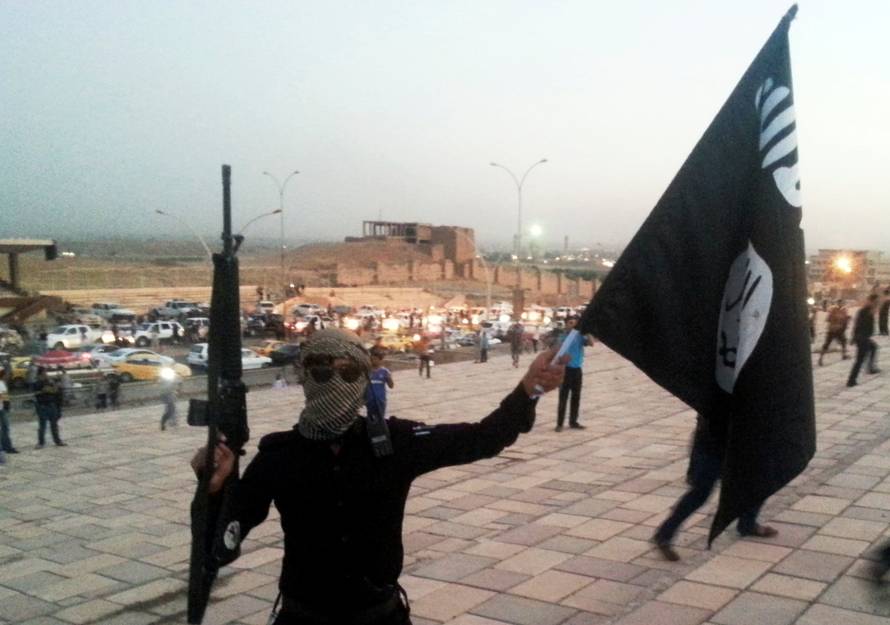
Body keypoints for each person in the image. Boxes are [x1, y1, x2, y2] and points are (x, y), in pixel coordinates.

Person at [189, 329, 566, 625]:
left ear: (363, 379)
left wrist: (528, 389)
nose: (335, 381)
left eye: (348, 372)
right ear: (304, 376)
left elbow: (483, 438)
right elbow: (221, 544)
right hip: (304, 617)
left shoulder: (394, 443)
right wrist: (214, 490)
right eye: (321, 370)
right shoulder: (279, 456)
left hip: (379, 617)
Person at [652, 413, 777, 561]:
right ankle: (664, 534)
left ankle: (747, 523)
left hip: (736, 442)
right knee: (700, 493)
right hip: (714, 444)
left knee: (757, 481)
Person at [555, 317, 593, 432]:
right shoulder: (562, 337)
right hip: (565, 370)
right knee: (563, 397)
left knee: (576, 397)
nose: (573, 325)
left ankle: (573, 422)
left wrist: (587, 332)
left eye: (575, 323)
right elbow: (557, 352)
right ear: (566, 324)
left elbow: (591, 343)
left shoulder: (579, 336)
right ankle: (559, 424)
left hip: (577, 370)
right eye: (570, 323)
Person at [847, 294, 881, 387]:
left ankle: (870, 368)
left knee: (873, 347)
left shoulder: (865, 310)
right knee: (859, 360)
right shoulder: (866, 311)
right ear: (872, 301)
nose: (877, 304)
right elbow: (859, 325)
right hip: (862, 339)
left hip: (863, 337)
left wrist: (854, 337)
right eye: (876, 302)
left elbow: (857, 325)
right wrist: (854, 337)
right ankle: (851, 380)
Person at [33, 367, 66, 448]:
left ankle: (57, 441)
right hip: (42, 405)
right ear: (40, 374)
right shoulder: (36, 383)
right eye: (44, 372)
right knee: (42, 425)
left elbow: (54, 390)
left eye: (46, 372)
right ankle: (41, 442)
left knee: (54, 424)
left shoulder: (49, 381)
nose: (46, 374)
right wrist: (43, 391)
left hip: (51, 404)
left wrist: (55, 384)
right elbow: (36, 393)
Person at [818, 299, 850, 366]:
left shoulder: (844, 310)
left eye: (842, 303)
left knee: (843, 341)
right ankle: (820, 358)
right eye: (840, 303)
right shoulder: (833, 310)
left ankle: (844, 355)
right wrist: (835, 320)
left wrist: (847, 319)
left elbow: (845, 320)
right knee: (827, 344)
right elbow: (828, 319)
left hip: (839, 330)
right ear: (837, 303)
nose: (841, 304)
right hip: (832, 330)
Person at [366, 348, 394, 417]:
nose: (373, 361)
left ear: (380, 360)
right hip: (369, 400)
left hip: (381, 400)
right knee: (370, 418)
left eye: (375, 359)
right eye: (371, 359)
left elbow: (391, 386)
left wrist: (389, 378)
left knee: (381, 418)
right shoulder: (367, 371)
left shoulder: (385, 371)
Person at [0, 366, 17, 456]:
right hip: (2, 409)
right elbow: (4, 397)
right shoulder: (1, 384)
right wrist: (7, 408)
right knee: (5, 428)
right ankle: (7, 447)